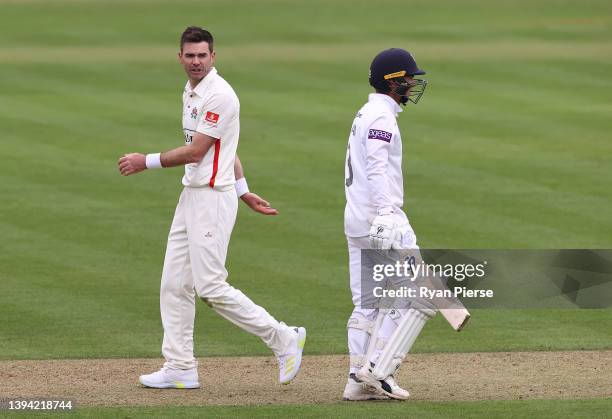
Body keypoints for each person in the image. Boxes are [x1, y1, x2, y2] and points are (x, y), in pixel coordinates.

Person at [118, 26, 306, 389]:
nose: (196, 62)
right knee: (173, 284)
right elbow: (227, 149)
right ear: (180, 58)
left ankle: (282, 338)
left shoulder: (220, 95)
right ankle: (180, 366)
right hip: (192, 194)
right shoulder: (191, 91)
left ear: (213, 57)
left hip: (211, 200)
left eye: (202, 55)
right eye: (189, 55)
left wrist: (147, 161)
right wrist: (245, 190)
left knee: (211, 287)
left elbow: (196, 151)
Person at [342, 48, 433, 400]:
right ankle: (378, 371)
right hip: (382, 220)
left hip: (357, 219)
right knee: (416, 293)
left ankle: (356, 382)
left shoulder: (367, 112)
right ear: (393, 81)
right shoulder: (381, 118)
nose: (412, 83)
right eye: (408, 78)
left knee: (368, 301)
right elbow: (378, 169)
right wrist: (385, 216)